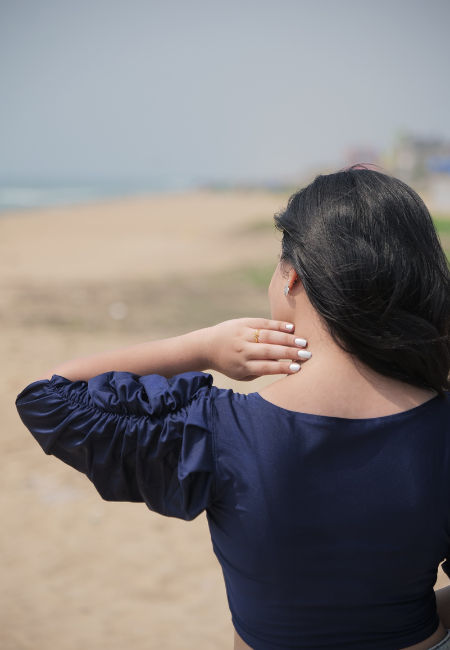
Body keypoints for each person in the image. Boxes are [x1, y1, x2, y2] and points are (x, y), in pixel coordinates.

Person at [16, 167, 450, 650]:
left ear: (293, 278)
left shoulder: (222, 431)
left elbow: (46, 396)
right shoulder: (442, 426)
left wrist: (203, 347)